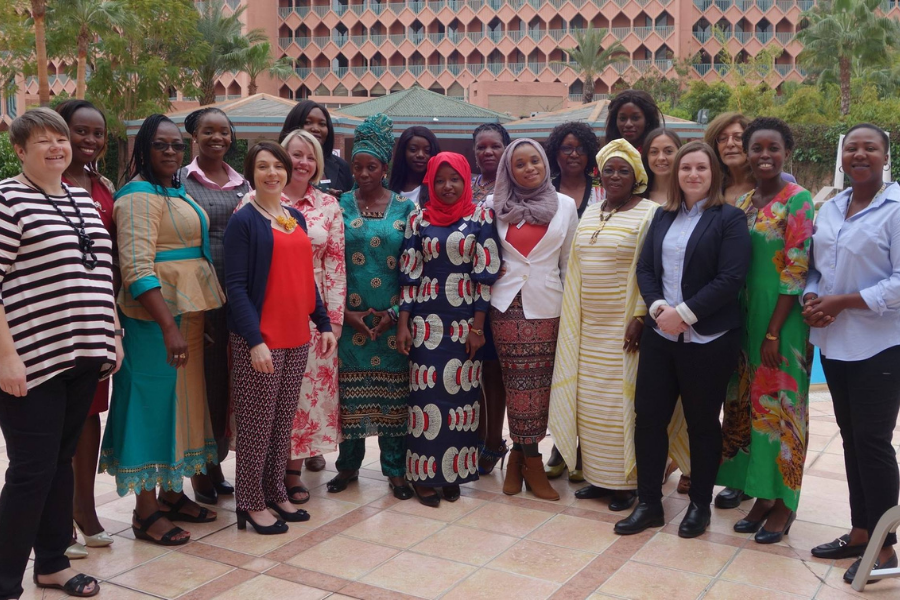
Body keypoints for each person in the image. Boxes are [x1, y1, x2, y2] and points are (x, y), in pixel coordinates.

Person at [0, 108, 120, 599]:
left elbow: (99, 271)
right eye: (42, 141)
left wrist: (110, 331)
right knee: (31, 469)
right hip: (32, 358)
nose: (55, 147)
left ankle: (51, 564)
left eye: (60, 139)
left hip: (84, 353)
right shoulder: (8, 199)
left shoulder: (80, 197)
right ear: (20, 151)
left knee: (60, 461)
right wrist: (6, 357)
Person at [99, 115, 224, 546]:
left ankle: (172, 494)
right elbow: (136, 268)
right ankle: (145, 511)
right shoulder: (135, 196)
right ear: (143, 150)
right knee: (153, 409)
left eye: (175, 145)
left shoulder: (173, 190)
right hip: (153, 323)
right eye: (160, 145)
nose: (170, 152)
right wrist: (169, 326)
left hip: (186, 318)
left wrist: (191, 321)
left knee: (183, 407)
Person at [616, 141, 750, 539]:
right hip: (661, 335)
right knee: (649, 419)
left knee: (703, 424)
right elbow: (645, 268)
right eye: (686, 168)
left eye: (701, 169)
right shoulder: (662, 216)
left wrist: (685, 314)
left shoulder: (729, 219)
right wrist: (659, 310)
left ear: (714, 174)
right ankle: (649, 505)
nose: (693, 175)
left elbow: (731, 278)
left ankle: (699, 507)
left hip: (709, 338)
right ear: (675, 175)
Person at [549, 139, 690, 512]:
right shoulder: (592, 212)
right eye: (609, 169)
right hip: (588, 326)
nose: (614, 176)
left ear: (637, 177)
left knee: (623, 407)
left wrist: (642, 315)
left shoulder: (650, 213)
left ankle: (628, 483)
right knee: (591, 403)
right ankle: (599, 477)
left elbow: (653, 269)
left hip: (626, 326)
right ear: (600, 174)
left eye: (623, 170)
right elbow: (576, 267)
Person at [224, 141, 336, 534]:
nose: (272, 173)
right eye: (263, 167)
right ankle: (250, 502)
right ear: (251, 173)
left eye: (278, 166)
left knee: (280, 422)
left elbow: (306, 278)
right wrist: (254, 340)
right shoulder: (245, 220)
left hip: (295, 335)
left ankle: (274, 492)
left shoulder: (294, 218)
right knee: (256, 424)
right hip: (261, 338)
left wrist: (322, 322)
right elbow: (236, 287)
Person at [804, 123, 900, 583]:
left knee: (874, 444)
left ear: (886, 156)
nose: (860, 155)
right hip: (836, 343)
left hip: (881, 344)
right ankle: (862, 531)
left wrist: (843, 302)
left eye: (871, 148)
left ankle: (885, 547)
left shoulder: (897, 208)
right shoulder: (832, 208)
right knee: (850, 438)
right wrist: (812, 297)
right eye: (852, 148)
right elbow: (817, 267)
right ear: (842, 157)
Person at [716, 118, 814, 544]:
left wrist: (774, 332)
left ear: (786, 151)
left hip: (781, 320)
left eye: (773, 147)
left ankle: (785, 502)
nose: (764, 155)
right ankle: (760, 493)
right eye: (757, 148)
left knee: (782, 407)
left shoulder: (799, 200)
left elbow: (796, 269)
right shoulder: (746, 203)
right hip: (745, 318)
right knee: (749, 407)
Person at [397, 152, 501, 506]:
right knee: (425, 401)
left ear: (465, 179)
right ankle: (424, 477)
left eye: (454, 179)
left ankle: (452, 473)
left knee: (461, 398)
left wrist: (478, 328)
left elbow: (485, 275)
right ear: (429, 183)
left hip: (464, 326)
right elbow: (410, 274)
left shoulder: (480, 215)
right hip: (426, 325)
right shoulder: (418, 219)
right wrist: (403, 324)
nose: (447, 186)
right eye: (439, 180)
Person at [485, 138, 578, 501]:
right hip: (506, 306)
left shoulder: (566, 205)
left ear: (545, 164)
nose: (529, 168)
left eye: (535, 161)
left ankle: (520, 460)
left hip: (548, 307)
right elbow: (481, 252)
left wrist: (573, 313)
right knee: (516, 386)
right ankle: (531, 462)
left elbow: (569, 261)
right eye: (520, 163)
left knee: (538, 389)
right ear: (509, 169)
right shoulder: (492, 205)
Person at [329, 114, 415, 498]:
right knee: (350, 400)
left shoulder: (405, 210)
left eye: (372, 166)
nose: (363, 173)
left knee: (394, 401)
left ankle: (395, 470)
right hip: (349, 322)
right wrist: (344, 314)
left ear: (385, 167)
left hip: (393, 322)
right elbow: (329, 262)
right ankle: (347, 466)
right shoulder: (338, 206)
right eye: (357, 166)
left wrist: (396, 315)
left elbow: (416, 268)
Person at [55, 100, 119, 554]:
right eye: (82, 132)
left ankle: (84, 509)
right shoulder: (41, 186)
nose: (91, 141)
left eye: (98, 133)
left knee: (90, 413)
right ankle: (57, 523)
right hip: (52, 320)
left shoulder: (104, 186)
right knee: (52, 422)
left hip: (96, 317)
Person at [179, 107, 249, 505]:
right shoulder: (180, 181)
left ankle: (218, 464)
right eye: (209, 131)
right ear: (195, 136)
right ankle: (201, 471)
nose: (218, 138)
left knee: (228, 384)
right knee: (202, 384)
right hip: (198, 300)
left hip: (239, 299)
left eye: (224, 131)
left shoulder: (244, 184)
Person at [277, 129, 346, 504]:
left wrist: (332, 321)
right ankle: (266, 469)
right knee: (273, 392)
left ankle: (292, 472)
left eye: (310, 156)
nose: (302, 162)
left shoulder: (328, 206)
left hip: (314, 312)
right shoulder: (257, 201)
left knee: (306, 397)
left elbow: (336, 264)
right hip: (271, 310)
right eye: (296, 154)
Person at [471, 122, 511, 475]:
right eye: (481, 146)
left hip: (505, 294)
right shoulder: (462, 184)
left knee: (494, 371)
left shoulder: (517, 187)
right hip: (465, 294)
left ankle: (495, 441)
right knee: (475, 368)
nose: (487, 152)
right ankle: (478, 436)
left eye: (495, 146)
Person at [280, 100, 353, 199]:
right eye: (308, 122)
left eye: (322, 124)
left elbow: (352, 204)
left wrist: (336, 202)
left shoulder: (342, 166)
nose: (316, 128)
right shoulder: (277, 162)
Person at [546, 121, 603, 218]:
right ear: (555, 153)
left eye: (581, 149)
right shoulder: (545, 190)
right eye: (567, 148)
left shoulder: (603, 190)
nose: (574, 154)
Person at [388, 126, 441, 205]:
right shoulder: (387, 190)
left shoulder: (439, 191)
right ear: (403, 152)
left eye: (427, 151)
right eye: (413, 149)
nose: (420, 155)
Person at [642, 128, 682, 206]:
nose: (661, 158)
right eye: (654, 152)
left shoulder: (688, 196)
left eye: (668, 151)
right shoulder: (635, 195)